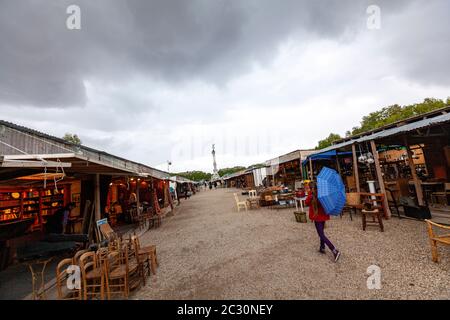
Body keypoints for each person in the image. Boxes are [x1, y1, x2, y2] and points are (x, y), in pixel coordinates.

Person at [305, 182, 341, 262]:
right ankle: (322, 247)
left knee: (321, 235)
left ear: (310, 188)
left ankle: (334, 250)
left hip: (317, 218)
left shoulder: (311, 196)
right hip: (323, 217)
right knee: (322, 233)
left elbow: (306, 203)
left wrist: (310, 195)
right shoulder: (322, 195)